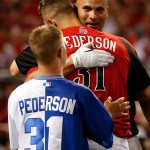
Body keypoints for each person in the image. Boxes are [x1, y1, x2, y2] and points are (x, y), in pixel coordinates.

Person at [9, 0, 150, 149]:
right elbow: (146, 93)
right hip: (118, 138)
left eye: (99, 10)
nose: (93, 16)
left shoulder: (52, 44)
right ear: (75, 9)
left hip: (70, 138)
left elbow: (24, 77)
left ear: (51, 24)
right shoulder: (121, 44)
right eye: (87, 9)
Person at [8, 24, 114, 150]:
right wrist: (108, 115)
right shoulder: (80, 93)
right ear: (60, 52)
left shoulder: (16, 95)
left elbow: (15, 145)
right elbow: (106, 139)